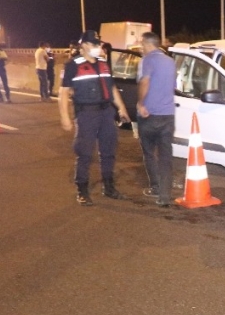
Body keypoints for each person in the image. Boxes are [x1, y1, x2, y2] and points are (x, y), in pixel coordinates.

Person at [59, 30, 131, 206]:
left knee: (108, 151)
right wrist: (65, 118)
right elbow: (63, 92)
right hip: (86, 114)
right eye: (95, 44)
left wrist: (121, 108)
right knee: (84, 153)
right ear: (84, 46)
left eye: (99, 44)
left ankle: (109, 187)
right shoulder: (73, 65)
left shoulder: (103, 64)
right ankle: (82, 190)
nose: (98, 47)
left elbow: (112, 89)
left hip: (107, 112)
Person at [137, 31, 177, 207]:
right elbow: (173, 86)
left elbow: (145, 82)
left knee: (149, 153)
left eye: (141, 44)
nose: (141, 48)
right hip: (168, 115)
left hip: (150, 115)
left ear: (148, 44)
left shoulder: (148, 60)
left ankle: (155, 187)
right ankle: (165, 195)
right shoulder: (170, 61)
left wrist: (141, 103)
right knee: (166, 156)